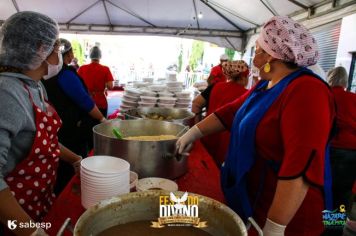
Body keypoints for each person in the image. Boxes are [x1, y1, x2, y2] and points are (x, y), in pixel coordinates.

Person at [176, 15, 335, 235]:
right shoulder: (266, 85)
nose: (254, 57)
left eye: (258, 49)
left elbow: (301, 166)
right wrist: (191, 134)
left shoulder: (307, 90)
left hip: (289, 216)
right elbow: (231, 112)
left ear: (272, 55)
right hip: (255, 199)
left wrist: (275, 227)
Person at [0, 11, 82, 236]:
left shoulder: (34, 85)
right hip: (13, 220)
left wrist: (75, 159)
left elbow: (45, 140)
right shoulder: (7, 93)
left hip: (37, 205)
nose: (58, 52)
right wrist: (30, 231)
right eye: (55, 47)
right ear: (39, 49)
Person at [42, 38, 107, 195]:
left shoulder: (49, 75)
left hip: (57, 129)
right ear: (68, 54)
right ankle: (69, 194)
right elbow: (85, 101)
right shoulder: (65, 75)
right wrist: (102, 119)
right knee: (68, 172)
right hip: (70, 132)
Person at [192, 60, 249, 165]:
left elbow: (196, 103)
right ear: (243, 77)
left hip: (207, 136)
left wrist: (197, 126)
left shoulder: (215, 87)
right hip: (227, 148)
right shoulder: (247, 95)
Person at [327, 66, 356, 209]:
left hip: (327, 150)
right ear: (345, 80)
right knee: (342, 194)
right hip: (351, 152)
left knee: (323, 189)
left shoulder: (324, 95)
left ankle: (317, 225)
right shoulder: (353, 98)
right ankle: (333, 228)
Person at [78, 46, 114, 117]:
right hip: (101, 102)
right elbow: (110, 86)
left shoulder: (82, 68)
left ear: (90, 55)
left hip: (86, 101)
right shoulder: (105, 69)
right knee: (100, 126)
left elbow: (78, 86)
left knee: (86, 125)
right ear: (100, 56)